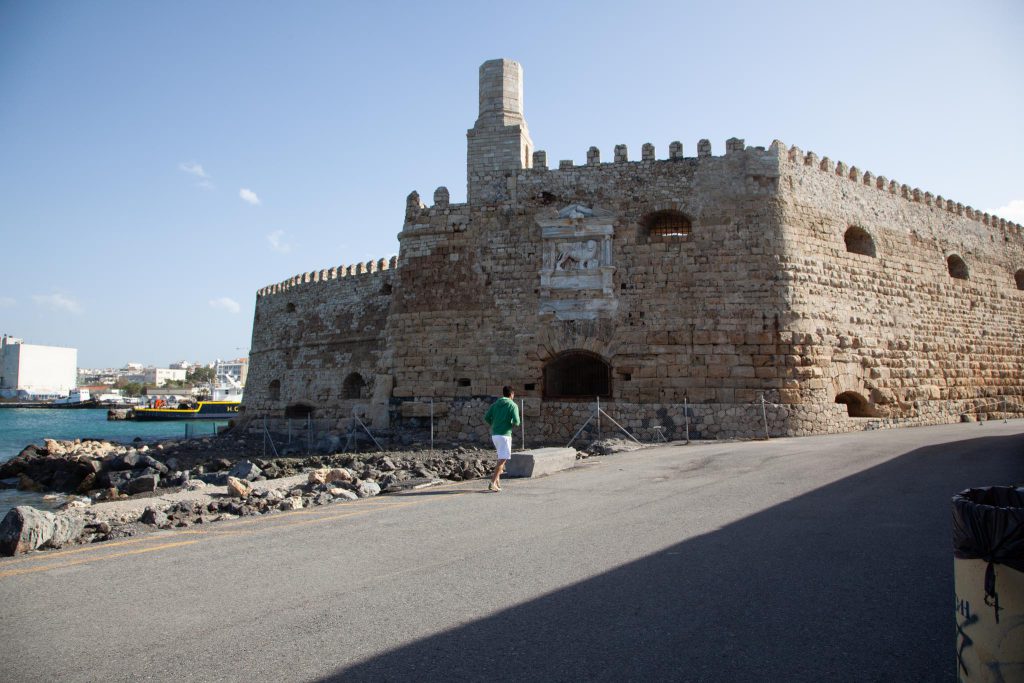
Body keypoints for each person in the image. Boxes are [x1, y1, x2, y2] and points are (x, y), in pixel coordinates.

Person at [483, 385, 520, 492]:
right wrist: (510, 422)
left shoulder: (495, 404)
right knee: (503, 459)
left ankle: (498, 481)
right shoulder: (513, 405)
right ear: (512, 394)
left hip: (495, 434)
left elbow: (486, 417)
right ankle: (493, 482)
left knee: (501, 458)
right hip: (505, 434)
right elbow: (517, 421)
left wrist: (494, 424)